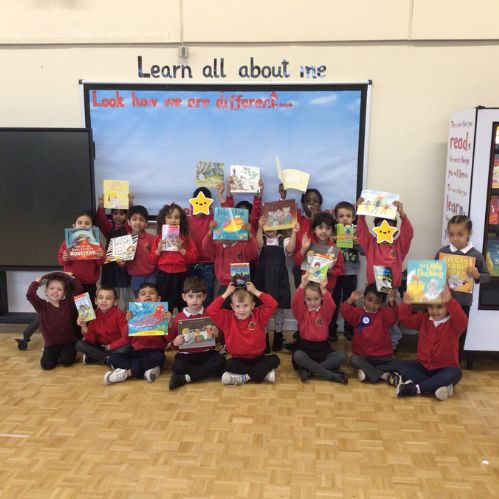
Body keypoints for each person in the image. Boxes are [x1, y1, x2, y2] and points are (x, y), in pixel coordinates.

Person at [356, 198, 413, 348]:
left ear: (394, 230)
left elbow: (408, 234)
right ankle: (370, 346)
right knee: (371, 320)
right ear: (375, 229)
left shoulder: (399, 246)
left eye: (390, 227)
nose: (385, 230)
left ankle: (391, 348)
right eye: (381, 227)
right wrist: (361, 214)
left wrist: (403, 215)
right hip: (373, 292)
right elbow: (361, 233)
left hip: (391, 293)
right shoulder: (370, 244)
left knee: (392, 323)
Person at [394, 285, 468, 401]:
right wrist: (406, 304)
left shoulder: (454, 324)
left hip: (446, 368)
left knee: (456, 373)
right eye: (431, 307)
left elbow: (463, 320)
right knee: (399, 365)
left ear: (447, 307)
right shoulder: (423, 319)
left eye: (439, 307)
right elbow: (406, 320)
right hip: (424, 368)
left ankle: (417, 389)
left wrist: (450, 301)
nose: (434, 311)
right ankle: (438, 386)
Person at [435, 215, 491, 363]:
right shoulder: (443, 252)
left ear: (469, 233)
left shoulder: (476, 255)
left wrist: (477, 275)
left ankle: (454, 364)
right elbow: (432, 274)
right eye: (451, 234)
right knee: (440, 334)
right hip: (442, 304)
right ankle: (438, 362)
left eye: (460, 234)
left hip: (463, 304)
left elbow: (487, 277)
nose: (455, 238)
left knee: (459, 335)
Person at [206, 281, 280, 385]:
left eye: (246, 305)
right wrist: (226, 293)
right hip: (238, 360)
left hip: (258, 358)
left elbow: (273, 304)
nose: (242, 310)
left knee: (275, 359)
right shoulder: (227, 318)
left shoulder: (258, 315)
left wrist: (255, 291)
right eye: (238, 306)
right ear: (232, 307)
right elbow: (211, 310)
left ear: (253, 305)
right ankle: (262, 374)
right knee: (228, 365)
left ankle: (244, 378)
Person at [104, 283, 170, 384]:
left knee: (158, 358)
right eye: (143, 294)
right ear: (137, 300)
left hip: (155, 351)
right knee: (114, 358)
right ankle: (148, 369)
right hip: (136, 352)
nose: (147, 295)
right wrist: (128, 322)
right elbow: (126, 338)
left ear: (158, 299)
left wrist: (168, 324)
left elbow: (168, 339)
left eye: (151, 293)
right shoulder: (133, 314)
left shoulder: (163, 314)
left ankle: (126, 374)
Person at [168, 277, 226, 390]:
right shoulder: (178, 318)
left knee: (221, 361)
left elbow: (220, 340)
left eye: (199, 296)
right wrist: (175, 343)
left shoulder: (210, 315)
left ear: (204, 297)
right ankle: (206, 371)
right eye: (191, 296)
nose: (195, 300)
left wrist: (217, 335)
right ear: (184, 297)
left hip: (207, 353)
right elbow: (171, 342)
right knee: (176, 366)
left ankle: (186, 378)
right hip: (187, 356)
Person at [291, 273, 348, 384]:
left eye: (316, 299)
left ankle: (309, 371)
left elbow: (331, 305)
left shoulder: (325, 312)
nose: (312, 302)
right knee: (298, 355)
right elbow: (295, 303)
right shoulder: (301, 313)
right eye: (309, 299)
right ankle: (331, 375)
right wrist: (302, 285)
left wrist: (323, 289)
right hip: (305, 350)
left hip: (323, 350)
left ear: (321, 298)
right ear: (305, 299)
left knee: (343, 356)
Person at [340, 284, 400, 384]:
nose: (372, 305)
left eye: (377, 302)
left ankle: (368, 371)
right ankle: (384, 375)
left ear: (381, 303)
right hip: (364, 357)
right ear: (364, 298)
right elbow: (345, 310)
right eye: (369, 300)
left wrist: (392, 302)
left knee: (400, 364)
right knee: (354, 359)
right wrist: (351, 299)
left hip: (383, 357)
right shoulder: (358, 313)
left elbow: (393, 317)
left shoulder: (384, 314)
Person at [26, 271, 82, 370]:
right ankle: (56, 354)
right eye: (52, 288)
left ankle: (65, 353)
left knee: (67, 362)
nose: (55, 291)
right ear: (46, 290)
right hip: (51, 344)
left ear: (64, 293)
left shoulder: (68, 303)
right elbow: (30, 295)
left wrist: (71, 278)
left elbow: (79, 289)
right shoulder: (41, 306)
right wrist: (36, 282)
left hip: (68, 342)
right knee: (46, 365)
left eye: (59, 289)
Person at [150, 203, 198, 313]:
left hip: (182, 276)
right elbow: (152, 261)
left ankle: (183, 328)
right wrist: (158, 250)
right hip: (164, 276)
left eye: (177, 217)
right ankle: (167, 329)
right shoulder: (159, 237)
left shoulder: (185, 237)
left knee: (184, 306)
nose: (173, 220)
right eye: (169, 217)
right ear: (164, 220)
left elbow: (194, 258)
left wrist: (182, 250)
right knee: (165, 308)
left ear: (181, 220)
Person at [254, 215, 291, 353]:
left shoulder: (283, 240)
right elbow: (257, 245)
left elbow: (291, 249)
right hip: (262, 277)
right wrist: (258, 227)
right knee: (262, 308)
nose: (269, 228)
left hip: (279, 277)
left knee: (278, 307)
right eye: (266, 225)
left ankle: (277, 336)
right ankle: (264, 337)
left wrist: (295, 234)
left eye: (272, 224)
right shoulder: (261, 240)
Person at [201, 215, 258, 296]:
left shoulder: (243, 246)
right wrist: (210, 230)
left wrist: (249, 233)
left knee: (240, 307)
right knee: (221, 306)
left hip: (240, 285)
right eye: (225, 230)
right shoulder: (217, 247)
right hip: (222, 284)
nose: (228, 235)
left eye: (231, 230)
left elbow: (254, 251)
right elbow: (205, 247)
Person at [57, 211, 105, 303]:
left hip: (89, 283)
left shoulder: (96, 244)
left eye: (87, 223)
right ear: (74, 226)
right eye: (80, 223)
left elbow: (101, 262)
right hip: (71, 282)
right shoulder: (66, 243)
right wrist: (65, 258)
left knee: (87, 311)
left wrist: (100, 256)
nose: (83, 225)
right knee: (72, 308)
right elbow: (61, 260)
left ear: (92, 227)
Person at [331, 201, 362, 340]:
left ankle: (349, 328)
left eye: (348, 216)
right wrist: (332, 242)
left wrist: (358, 243)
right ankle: (331, 328)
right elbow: (326, 252)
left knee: (350, 300)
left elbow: (365, 252)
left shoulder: (357, 232)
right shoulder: (332, 231)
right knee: (333, 300)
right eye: (341, 216)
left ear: (353, 218)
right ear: (336, 218)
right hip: (336, 272)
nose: (344, 219)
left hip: (351, 272)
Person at [75, 287, 131, 365]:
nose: (104, 301)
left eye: (108, 298)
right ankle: (107, 360)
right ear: (96, 301)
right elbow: (92, 340)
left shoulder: (119, 314)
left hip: (114, 347)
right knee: (79, 344)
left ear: (115, 302)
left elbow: (125, 338)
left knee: (127, 348)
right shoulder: (93, 314)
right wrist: (84, 326)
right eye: (100, 298)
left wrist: (110, 346)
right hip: (100, 347)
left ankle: (95, 357)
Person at [94, 194, 131, 302]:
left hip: (124, 265)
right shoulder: (109, 227)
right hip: (110, 266)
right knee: (111, 293)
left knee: (127, 294)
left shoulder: (128, 227)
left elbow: (131, 215)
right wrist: (101, 205)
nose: (118, 216)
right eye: (115, 213)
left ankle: (127, 314)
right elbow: (101, 220)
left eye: (122, 214)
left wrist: (129, 203)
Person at [126, 205, 157, 297]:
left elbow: (156, 258)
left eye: (141, 219)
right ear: (128, 222)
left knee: (151, 302)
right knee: (139, 302)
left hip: (152, 275)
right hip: (136, 277)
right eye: (134, 219)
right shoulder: (124, 240)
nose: (138, 222)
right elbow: (122, 263)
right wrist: (121, 261)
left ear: (146, 223)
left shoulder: (152, 239)